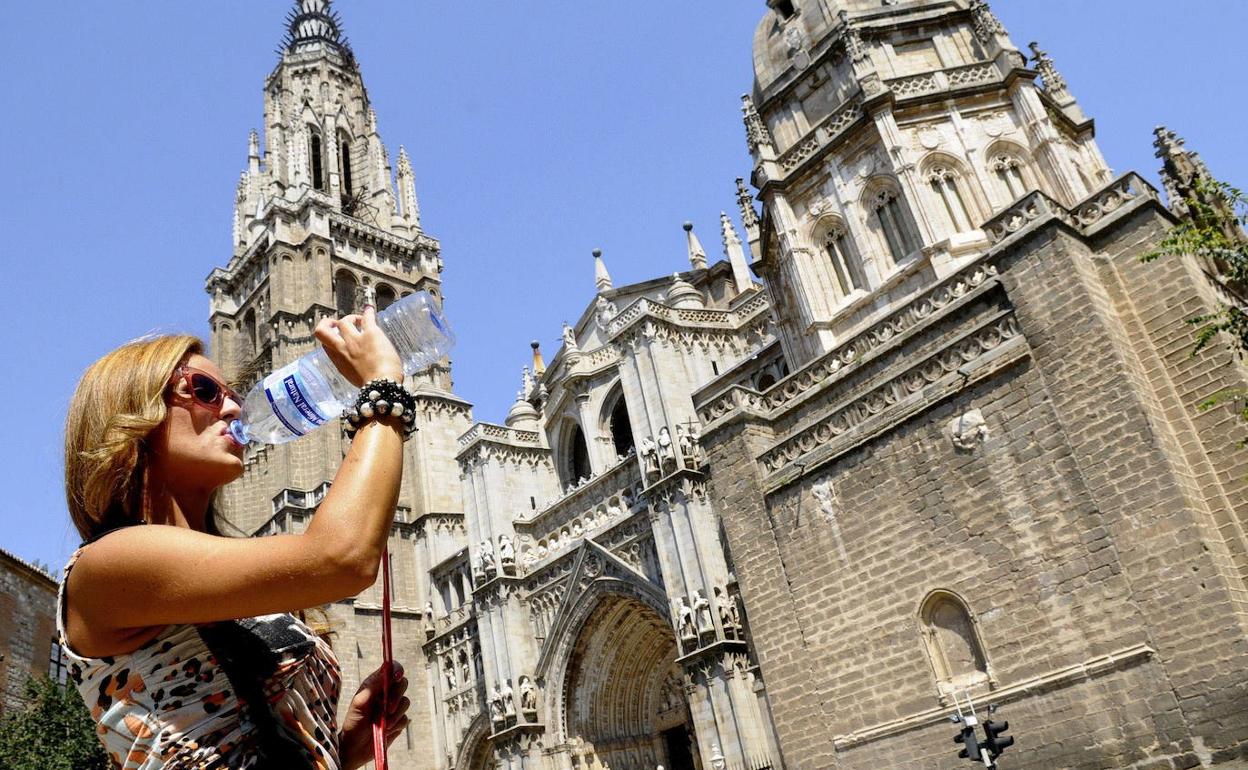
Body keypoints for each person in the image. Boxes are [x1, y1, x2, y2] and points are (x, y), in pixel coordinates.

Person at [59, 306, 412, 769]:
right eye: (203, 390)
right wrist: (384, 390)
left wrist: (338, 748)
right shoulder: (108, 565)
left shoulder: (231, 568)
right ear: (133, 412)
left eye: (232, 395)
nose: (232, 407)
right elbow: (341, 559)